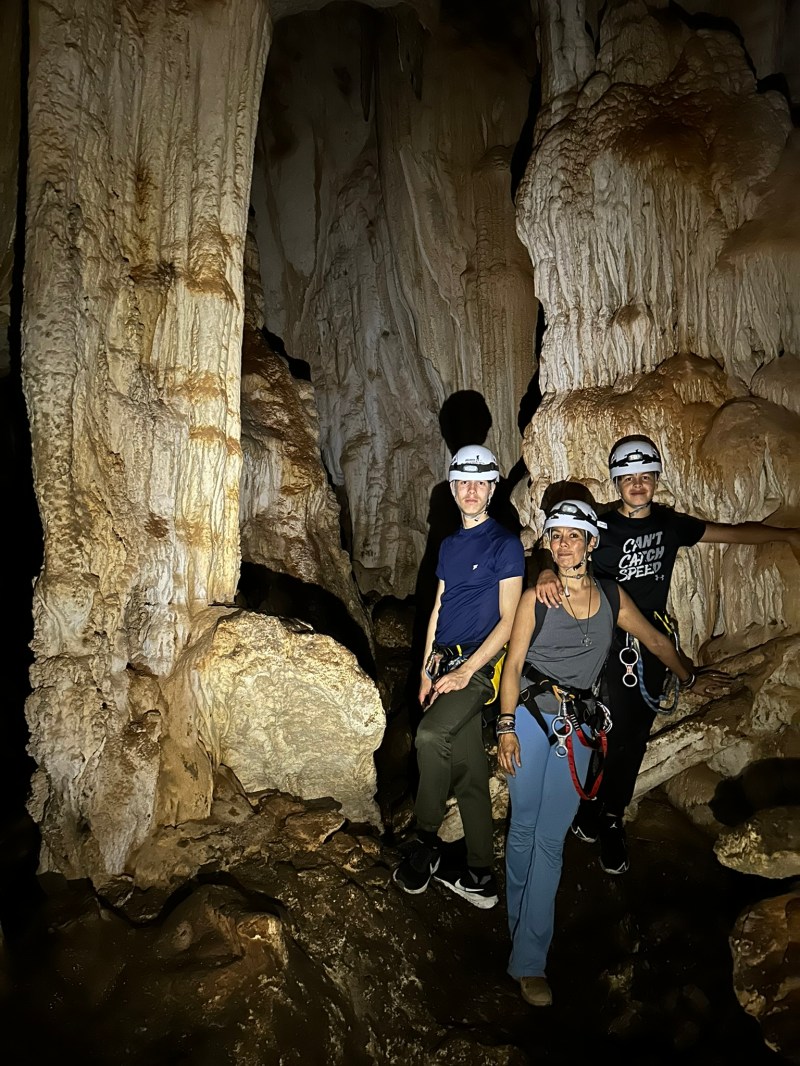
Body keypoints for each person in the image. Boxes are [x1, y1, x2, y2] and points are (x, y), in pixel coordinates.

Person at [497, 498, 728, 1008]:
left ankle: (529, 961)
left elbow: (654, 640)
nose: (564, 544)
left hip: (576, 728)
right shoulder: (538, 597)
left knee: (550, 843)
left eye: (573, 536)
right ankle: (518, 926)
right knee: (523, 831)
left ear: (590, 543)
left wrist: (690, 676)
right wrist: (506, 728)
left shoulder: (610, 594)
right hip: (532, 718)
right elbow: (512, 666)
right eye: (556, 536)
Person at [535, 435, 800, 875]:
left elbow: (731, 535)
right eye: (628, 477)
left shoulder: (670, 525)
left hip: (651, 637)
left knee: (632, 733)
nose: (637, 484)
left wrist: (788, 533)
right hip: (604, 633)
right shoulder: (600, 523)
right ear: (616, 480)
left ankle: (606, 813)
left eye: (645, 476)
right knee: (606, 728)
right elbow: (558, 541)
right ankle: (599, 810)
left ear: (656, 479)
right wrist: (545, 566)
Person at [393, 444, 525, 908]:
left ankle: (425, 840)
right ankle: (480, 875)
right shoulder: (448, 544)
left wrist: (467, 670)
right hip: (444, 663)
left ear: (491, 489)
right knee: (469, 772)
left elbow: (509, 620)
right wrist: (428, 669)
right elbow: (438, 607)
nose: (471, 491)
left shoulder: (505, 543)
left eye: (480, 483)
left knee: (429, 736)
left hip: (479, 667)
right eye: (462, 483)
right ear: (453, 489)